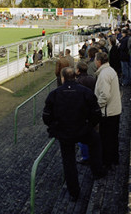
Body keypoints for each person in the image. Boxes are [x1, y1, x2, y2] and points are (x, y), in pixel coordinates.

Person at [42, 67, 105, 201]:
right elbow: (96, 113)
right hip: (83, 130)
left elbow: (46, 117)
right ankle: (97, 171)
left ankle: (74, 192)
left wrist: (55, 128)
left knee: (68, 162)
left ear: (63, 78)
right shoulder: (86, 92)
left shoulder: (54, 94)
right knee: (95, 142)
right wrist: (89, 125)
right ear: (75, 76)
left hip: (65, 133)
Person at [94, 51, 121, 169]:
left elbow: (105, 95)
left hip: (108, 112)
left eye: (95, 60)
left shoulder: (104, 74)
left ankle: (107, 162)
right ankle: (114, 158)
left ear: (99, 62)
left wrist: (98, 106)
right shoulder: (110, 70)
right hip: (113, 110)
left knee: (106, 138)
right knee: (113, 137)